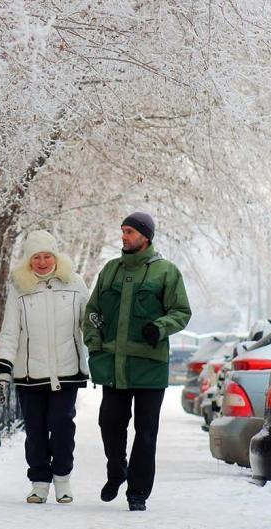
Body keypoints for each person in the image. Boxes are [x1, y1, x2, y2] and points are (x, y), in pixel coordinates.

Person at [82, 212, 192, 511]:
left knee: (146, 433)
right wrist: (95, 346)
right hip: (114, 367)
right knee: (109, 424)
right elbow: (92, 313)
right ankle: (116, 471)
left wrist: (160, 327)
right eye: (122, 231)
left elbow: (181, 311)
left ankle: (138, 493)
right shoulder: (110, 271)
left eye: (129, 231)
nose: (124, 236)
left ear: (145, 236)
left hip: (149, 367)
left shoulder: (166, 273)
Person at [0, 230, 90, 504]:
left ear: (56, 257)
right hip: (29, 374)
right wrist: (3, 369)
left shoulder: (75, 283)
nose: (43, 262)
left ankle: (62, 479)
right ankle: (39, 482)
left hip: (67, 371)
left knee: (61, 425)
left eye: (47, 256)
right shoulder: (19, 288)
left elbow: (90, 324)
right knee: (35, 429)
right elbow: (10, 332)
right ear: (29, 260)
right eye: (37, 257)